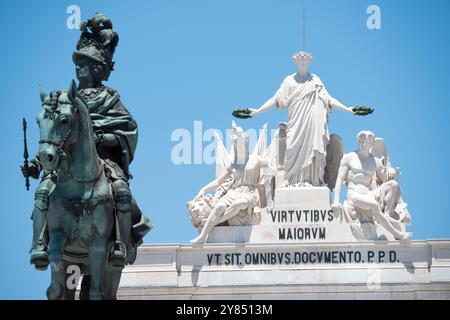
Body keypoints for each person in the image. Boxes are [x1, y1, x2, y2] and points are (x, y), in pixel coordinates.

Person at [21, 13, 152, 269]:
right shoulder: (64, 101)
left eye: (83, 63)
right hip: (66, 163)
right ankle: (39, 244)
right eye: (77, 63)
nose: (77, 68)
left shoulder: (111, 99)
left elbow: (128, 132)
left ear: (96, 68)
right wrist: (37, 164)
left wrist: (102, 137)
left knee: (122, 193)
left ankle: (119, 245)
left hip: (103, 161)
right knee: (43, 191)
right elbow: (56, 135)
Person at [248, 51, 356, 186]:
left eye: (305, 61)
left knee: (312, 148)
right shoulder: (289, 80)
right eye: (300, 61)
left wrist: (347, 109)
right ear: (295, 62)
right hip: (295, 122)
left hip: (311, 122)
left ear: (309, 62)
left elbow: (328, 99)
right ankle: (292, 180)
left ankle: (311, 180)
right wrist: (258, 111)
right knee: (292, 147)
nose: (303, 63)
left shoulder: (315, 80)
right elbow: (276, 99)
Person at [190, 124, 275, 246]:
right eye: (238, 143)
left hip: (250, 193)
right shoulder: (233, 165)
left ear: (246, 142)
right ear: (235, 146)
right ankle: (203, 236)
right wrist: (204, 188)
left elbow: (271, 169)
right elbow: (219, 181)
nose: (241, 145)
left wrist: (274, 173)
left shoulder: (256, 159)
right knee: (219, 206)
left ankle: (210, 224)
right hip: (234, 192)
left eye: (243, 141)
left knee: (238, 204)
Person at [331, 131, 412, 240]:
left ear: (371, 144)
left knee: (393, 185)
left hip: (369, 194)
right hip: (354, 194)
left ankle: (386, 214)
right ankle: (397, 234)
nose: (364, 145)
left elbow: (384, 178)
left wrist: (391, 173)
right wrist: (336, 201)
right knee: (374, 205)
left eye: (367, 142)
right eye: (362, 142)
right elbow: (340, 179)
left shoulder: (375, 161)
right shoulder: (349, 158)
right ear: (358, 142)